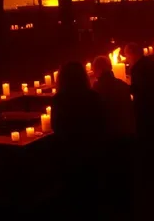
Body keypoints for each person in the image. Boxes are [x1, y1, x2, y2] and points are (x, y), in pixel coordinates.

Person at [52, 62, 106, 220]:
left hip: (69, 152)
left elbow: (57, 125)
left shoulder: (59, 100)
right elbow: (101, 121)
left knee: (72, 191)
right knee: (91, 190)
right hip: (91, 150)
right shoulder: (93, 96)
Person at [124, 43, 154, 202]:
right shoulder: (153, 64)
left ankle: (152, 173)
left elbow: (139, 90)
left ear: (133, 54)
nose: (126, 59)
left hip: (147, 109)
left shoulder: (138, 69)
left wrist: (125, 89)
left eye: (127, 55)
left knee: (149, 139)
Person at [91, 56, 135, 219]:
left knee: (112, 174)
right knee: (125, 171)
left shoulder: (97, 88)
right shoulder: (122, 86)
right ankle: (128, 203)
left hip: (109, 137)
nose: (93, 73)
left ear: (100, 70)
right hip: (127, 132)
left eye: (95, 70)